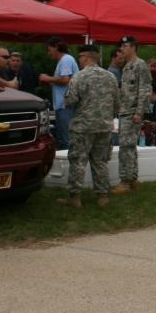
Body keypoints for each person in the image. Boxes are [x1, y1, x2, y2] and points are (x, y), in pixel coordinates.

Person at [57, 44, 121, 209]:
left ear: (85, 57)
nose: (79, 60)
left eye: (80, 57)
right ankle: (102, 197)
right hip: (104, 126)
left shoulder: (79, 76)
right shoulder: (110, 77)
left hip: (83, 127)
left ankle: (75, 198)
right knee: (100, 162)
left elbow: (70, 101)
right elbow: (117, 103)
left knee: (78, 161)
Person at [113, 35, 152, 194]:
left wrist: (139, 112)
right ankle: (132, 179)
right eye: (121, 46)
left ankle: (125, 182)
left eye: (125, 46)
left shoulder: (140, 65)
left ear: (133, 47)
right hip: (125, 111)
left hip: (132, 112)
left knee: (126, 147)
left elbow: (145, 90)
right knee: (129, 147)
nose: (122, 49)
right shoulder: (127, 66)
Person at [40, 41, 78, 150]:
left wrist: (47, 78)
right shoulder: (63, 60)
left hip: (66, 105)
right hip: (62, 105)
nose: (49, 53)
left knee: (66, 139)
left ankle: (68, 159)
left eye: (49, 50)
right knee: (62, 138)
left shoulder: (66, 59)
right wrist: (50, 82)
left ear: (56, 47)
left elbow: (65, 79)